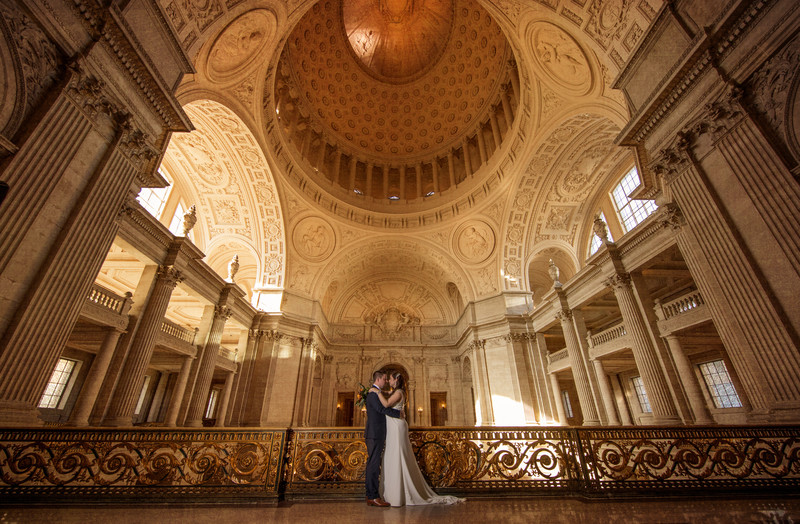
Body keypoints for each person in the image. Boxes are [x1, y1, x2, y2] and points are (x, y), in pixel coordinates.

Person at [371, 372, 464, 506]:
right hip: (394, 426)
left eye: (390, 379)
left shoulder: (398, 392)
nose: (388, 382)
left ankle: (399, 494)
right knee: (393, 455)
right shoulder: (397, 391)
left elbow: (385, 404)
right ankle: (395, 492)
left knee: (398, 455)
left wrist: (376, 391)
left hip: (397, 427)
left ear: (396, 379)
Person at [364, 370, 404, 507]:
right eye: (385, 379)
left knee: (374, 464)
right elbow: (382, 409)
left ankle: (372, 495)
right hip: (374, 433)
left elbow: (386, 401)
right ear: (379, 379)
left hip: (376, 433)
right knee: (373, 465)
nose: (386, 382)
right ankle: (372, 496)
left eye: (388, 379)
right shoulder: (373, 393)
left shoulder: (376, 393)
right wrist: (398, 413)